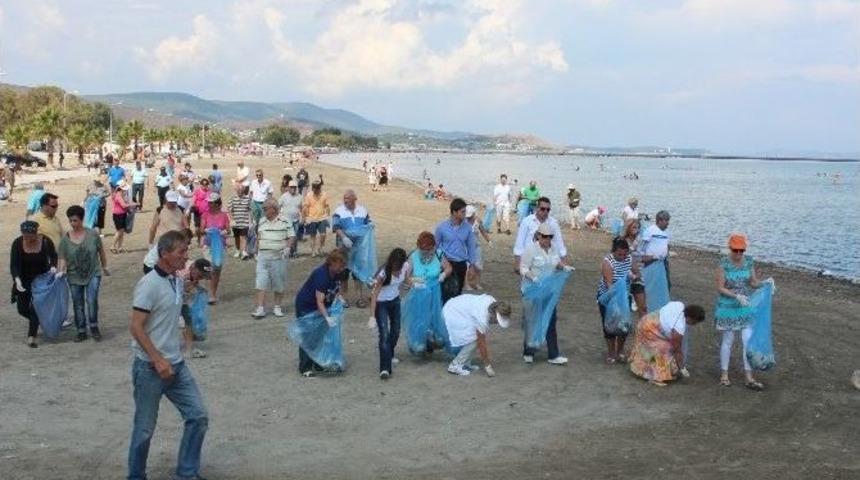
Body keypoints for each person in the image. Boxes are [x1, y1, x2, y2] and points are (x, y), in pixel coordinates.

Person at [127, 230, 209, 480]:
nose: (186, 256)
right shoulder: (149, 284)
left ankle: (187, 473)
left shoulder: (175, 280)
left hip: (176, 365)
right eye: (181, 252)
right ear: (164, 254)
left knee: (198, 416)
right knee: (144, 429)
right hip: (150, 368)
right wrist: (157, 359)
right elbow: (136, 326)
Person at [715, 233, 771, 391]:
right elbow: (720, 287)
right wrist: (736, 296)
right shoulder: (723, 264)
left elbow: (752, 282)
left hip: (744, 305)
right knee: (728, 340)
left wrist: (765, 283)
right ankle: (724, 375)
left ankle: (749, 376)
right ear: (730, 249)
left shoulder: (749, 262)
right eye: (736, 250)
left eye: (742, 250)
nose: (739, 253)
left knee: (748, 340)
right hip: (727, 306)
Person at [520, 223, 572, 365]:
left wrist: (564, 267)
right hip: (532, 291)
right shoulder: (530, 249)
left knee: (551, 319)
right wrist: (533, 278)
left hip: (548, 291)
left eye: (550, 237)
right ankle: (528, 351)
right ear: (538, 235)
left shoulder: (554, 248)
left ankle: (553, 354)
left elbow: (556, 263)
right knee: (532, 320)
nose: (547, 239)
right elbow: (523, 268)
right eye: (544, 236)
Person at [58, 205, 110, 343]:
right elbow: (62, 256)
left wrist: (104, 266)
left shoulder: (93, 235)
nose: (72, 223)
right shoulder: (65, 239)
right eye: (70, 221)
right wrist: (61, 271)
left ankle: (94, 327)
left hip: (93, 272)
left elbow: (101, 251)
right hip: (73, 275)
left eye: (75, 220)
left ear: (81, 220)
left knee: (92, 300)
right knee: (77, 303)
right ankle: (81, 330)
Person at [294, 250, 347, 376]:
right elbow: (319, 301)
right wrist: (327, 317)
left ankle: (318, 362)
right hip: (307, 306)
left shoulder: (337, 273)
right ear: (332, 262)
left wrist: (338, 297)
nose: (342, 268)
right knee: (308, 336)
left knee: (320, 335)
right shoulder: (321, 275)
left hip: (322, 305)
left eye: (343, 265)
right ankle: (305, 367)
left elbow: (337, 288)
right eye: (340, 265)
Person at [628, 302, 705, 386]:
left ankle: (645, 368)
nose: (694, 324)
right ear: (690, 318)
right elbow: (677, 350)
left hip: (646, 320)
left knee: (650, 350)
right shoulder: (679, 327)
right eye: (695, 322)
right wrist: (682, 368)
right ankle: (656, 377)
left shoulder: (679, 305)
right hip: (649, 330)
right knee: (664, 350)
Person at [10, 221, 58, 348]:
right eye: (24, 235)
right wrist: (17, 279)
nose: (26, 238)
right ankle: (39, 320)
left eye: (29, 235)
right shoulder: (17, 243)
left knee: (35, 308)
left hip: (41, 280)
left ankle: (32, 336)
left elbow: (54, 256)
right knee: (22, 309)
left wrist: (53, 267)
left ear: (35, 233)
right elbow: (14, 264)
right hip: (24, 279)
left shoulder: (45, 241)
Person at [443, 293, 511, 376]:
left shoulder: (493, 303)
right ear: (494, 314)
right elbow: (481, 343)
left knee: (473, 337)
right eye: (497, 320)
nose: (497, 322)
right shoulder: (482, 317)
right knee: (474, 339)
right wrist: (487, 365)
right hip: (453, 312)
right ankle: (455, 366)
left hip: (460, 309)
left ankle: (465, 362)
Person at [596, 237, 641, 364]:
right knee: (610, 325)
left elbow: (638, 273)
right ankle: (611, 352)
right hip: (608, 296)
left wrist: (633, 276)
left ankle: (620, 350)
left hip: (625, 296)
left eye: (624, 254)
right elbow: (609, 284)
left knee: (624, 325)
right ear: (614, 251)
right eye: (619, 254)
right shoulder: (608, 261)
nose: (622, 257)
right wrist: (614, 304)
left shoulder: (629, 259)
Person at [368, 248, 408, 379]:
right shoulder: (383, 273)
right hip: (381, 303)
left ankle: (389, 353)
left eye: (399, 266)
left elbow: (406, 279)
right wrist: (372, 316)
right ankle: (385, 368)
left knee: (396, 330)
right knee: (384, 333)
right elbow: (374, 294)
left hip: (395, 300)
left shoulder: (405, 266)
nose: (397, 269)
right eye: (395, 266)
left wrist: (413, 283)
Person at [252, 198, 294, 318]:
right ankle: (260, 308)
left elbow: (291, 236)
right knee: (260, 282)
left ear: (273, 209)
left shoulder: (285, 221)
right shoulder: (262, 221)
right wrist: (256, 251)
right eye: (263, 208)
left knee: (278, 282)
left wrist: (288, 248)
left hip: (278, 257)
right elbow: (259, 237)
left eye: (265, 208)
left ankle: (277, 307)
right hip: (263, 257)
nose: (263, 210)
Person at [332, 189, 372, 307]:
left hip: (359, 247)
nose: (345, 201)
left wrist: (371, 224)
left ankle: (359, 298)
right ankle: (344, 298)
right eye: (344, 198)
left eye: (348, 199)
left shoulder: (363, 210)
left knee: (358, 272)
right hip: (344, 247)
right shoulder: (339, 211)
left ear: (354, 199)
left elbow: (368, 223)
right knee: (343, 273)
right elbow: (335, 226)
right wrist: (344, 237)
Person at [434, 198, 478, 304]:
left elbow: (471, 247)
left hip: (461, 264)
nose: (465, 214)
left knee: (457, 293)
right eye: (462, 212)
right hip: (446, 264)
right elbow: (435, 246)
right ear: (454, 212)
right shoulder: (441, 227)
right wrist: (441, 260)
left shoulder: (468, 228)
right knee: (444, 293)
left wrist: (472, 266)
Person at [514, 196, 567, 273]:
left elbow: (559, 243)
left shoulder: (553, 223)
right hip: (530, 262)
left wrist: (564, 263)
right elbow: (519, 244)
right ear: (536, 208)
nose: (545, 211)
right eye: (543, 209)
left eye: (548, 209)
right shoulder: (527, 222)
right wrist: (517, 264)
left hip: (548, 262)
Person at [201, 193, 230, 304]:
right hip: (208, 246)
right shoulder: (205, 215)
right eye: (208, 202)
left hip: (220, 246)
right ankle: (209, 294)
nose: (209, 204)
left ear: (217, 204)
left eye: (211, 203)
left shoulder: (224, 215)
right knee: (210, 268)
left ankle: (213, 293)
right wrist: (206, 230)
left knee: (217, 269)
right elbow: (201, 230)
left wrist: (223, 232)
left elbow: (228, 229)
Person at [620, 219, 647, 315]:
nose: (637, 229)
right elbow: (620, 257)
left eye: (638, 227)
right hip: (625, 275)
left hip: (639, 275)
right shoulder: (622, 241)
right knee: (623, 308)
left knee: (643, 308)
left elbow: (645, 256)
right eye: (634, 227)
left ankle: (642, 327)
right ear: (628, 228)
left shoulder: (642, 241)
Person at [640, 209, 671, 288]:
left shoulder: (666, 233)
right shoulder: (650, 231)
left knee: (666, 283)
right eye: (666, 220)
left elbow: (667, 245)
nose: (668, 223)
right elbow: (643, 246)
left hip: (663, 262)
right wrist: (643, 257)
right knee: (650, 283)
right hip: (651, 261)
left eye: (668, 220)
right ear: (660, 221)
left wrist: (667, 255)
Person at [464, 205, 491, 291]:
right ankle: (466, 284)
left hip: (476, 246)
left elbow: (483, 231)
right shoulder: (463, 222)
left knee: (478, 266)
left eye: (470, 216)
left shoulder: (478, 221)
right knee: (467, 266)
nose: (468, 217)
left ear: (474, 214)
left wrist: (489, 241)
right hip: (466, 247)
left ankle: (477, 283)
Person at [302, 180, 331, 257]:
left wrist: (328, 216)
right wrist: (306, 218)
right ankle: (313, 251)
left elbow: (327, 206)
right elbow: (305, 207)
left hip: (322, 218)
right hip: (312, 218)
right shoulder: (309, 195)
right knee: (313, 236)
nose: (315, 191)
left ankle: (320, 248)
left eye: (316, 189)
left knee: (323, 234)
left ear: (319, 188)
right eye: (313, 189)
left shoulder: (324, 194)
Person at [278, 180, 303, 257]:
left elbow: (302, 209)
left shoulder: (300, 197)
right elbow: (278, 206)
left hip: (296, 220)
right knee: (287, 237)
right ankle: (287, 251)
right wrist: (279, 217)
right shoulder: (284, 196)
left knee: (295, 237)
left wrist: (302, 218)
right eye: (291, 187)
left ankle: (294, 251)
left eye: (294, 187)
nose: (293, 188)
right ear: (288, 187)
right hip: (286, 221)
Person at [111, 180, 136, 253]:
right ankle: (112, 246)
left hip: (122, 214)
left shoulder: (121, 194)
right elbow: (124, 205)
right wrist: (134, 204)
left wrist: (129, 208)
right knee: (119, 232)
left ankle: (120, 247)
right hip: (118, 215)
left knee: (121, 232)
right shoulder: (118, 195)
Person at [228, 185, 252, 259]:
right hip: (236, 222)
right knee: (237, 237)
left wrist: (250, 220)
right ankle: (238, 250)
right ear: (236, 190)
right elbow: (229, 210)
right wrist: (231, 219)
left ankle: (244, 251)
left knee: (243, 237)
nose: (240, 192)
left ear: (244, 190)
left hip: (244, 221)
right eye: (239, 191)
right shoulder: (232, 198)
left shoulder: (248, 198)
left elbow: (250, 209)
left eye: (241, 191)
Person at [190, 178, 213, 247]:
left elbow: (212, 201)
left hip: (206, 213)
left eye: (206, 184)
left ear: (208, 185)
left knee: (204, 227)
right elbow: (193, 200)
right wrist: (193, 205)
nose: (204, 186)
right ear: (201, 185)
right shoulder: (197, 191)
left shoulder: (210, 192)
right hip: (197, 212)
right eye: (203, 184)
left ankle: (203, 241)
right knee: (197, 228)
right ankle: (199, 238)